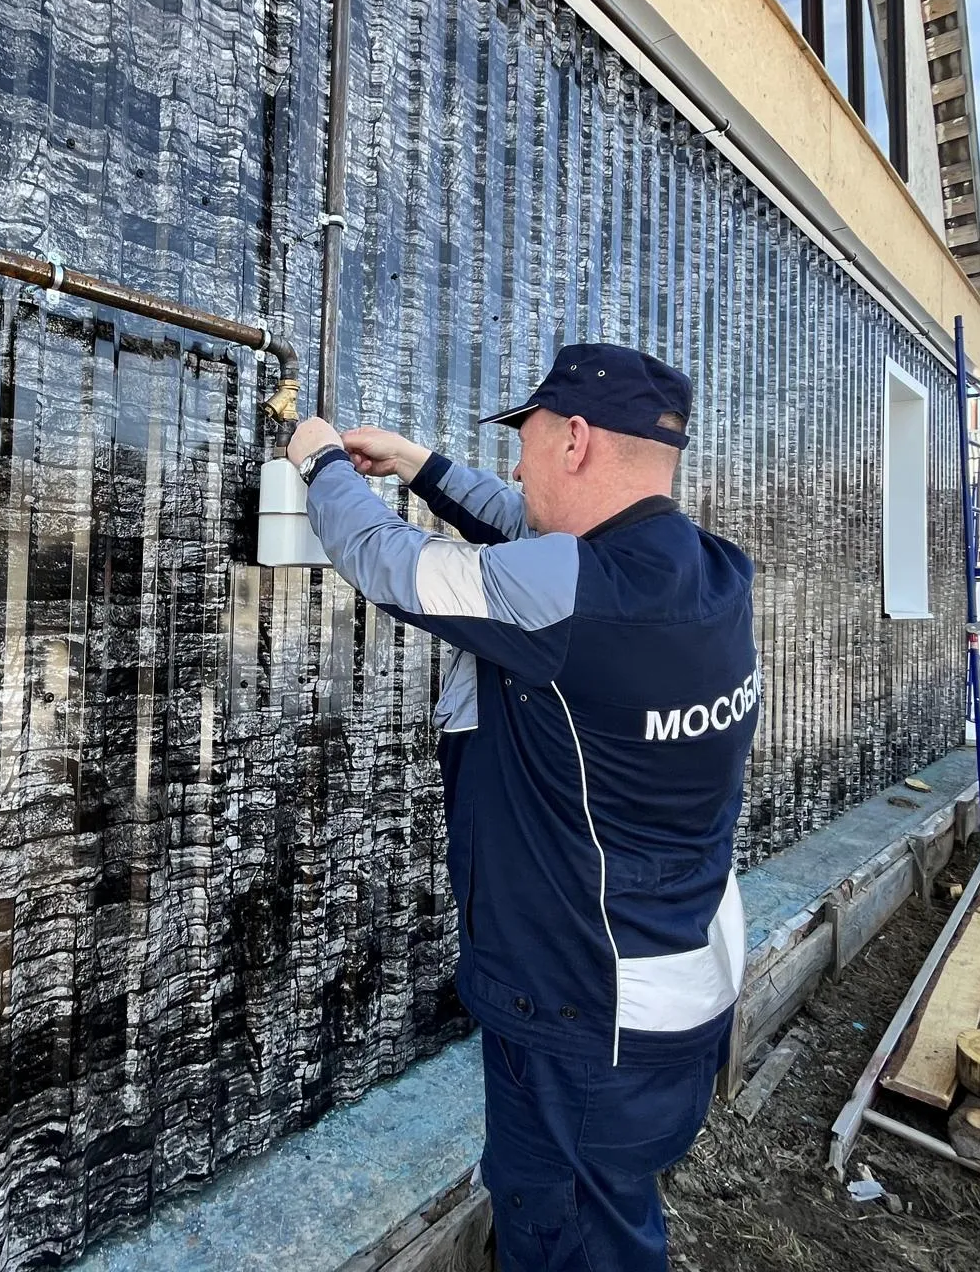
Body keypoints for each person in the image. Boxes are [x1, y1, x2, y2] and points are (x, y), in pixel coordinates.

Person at [285, 343, 758, 1272]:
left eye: (530, 441)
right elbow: (531, 539)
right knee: (613, 1222)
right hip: (676, 991)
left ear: (576, 439)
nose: (517, 464)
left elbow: (388, 562)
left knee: (568, 1244)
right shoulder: (708, 573)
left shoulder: (577, 603)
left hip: (581, 1009)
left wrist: (321, 462)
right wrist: (421, 467)